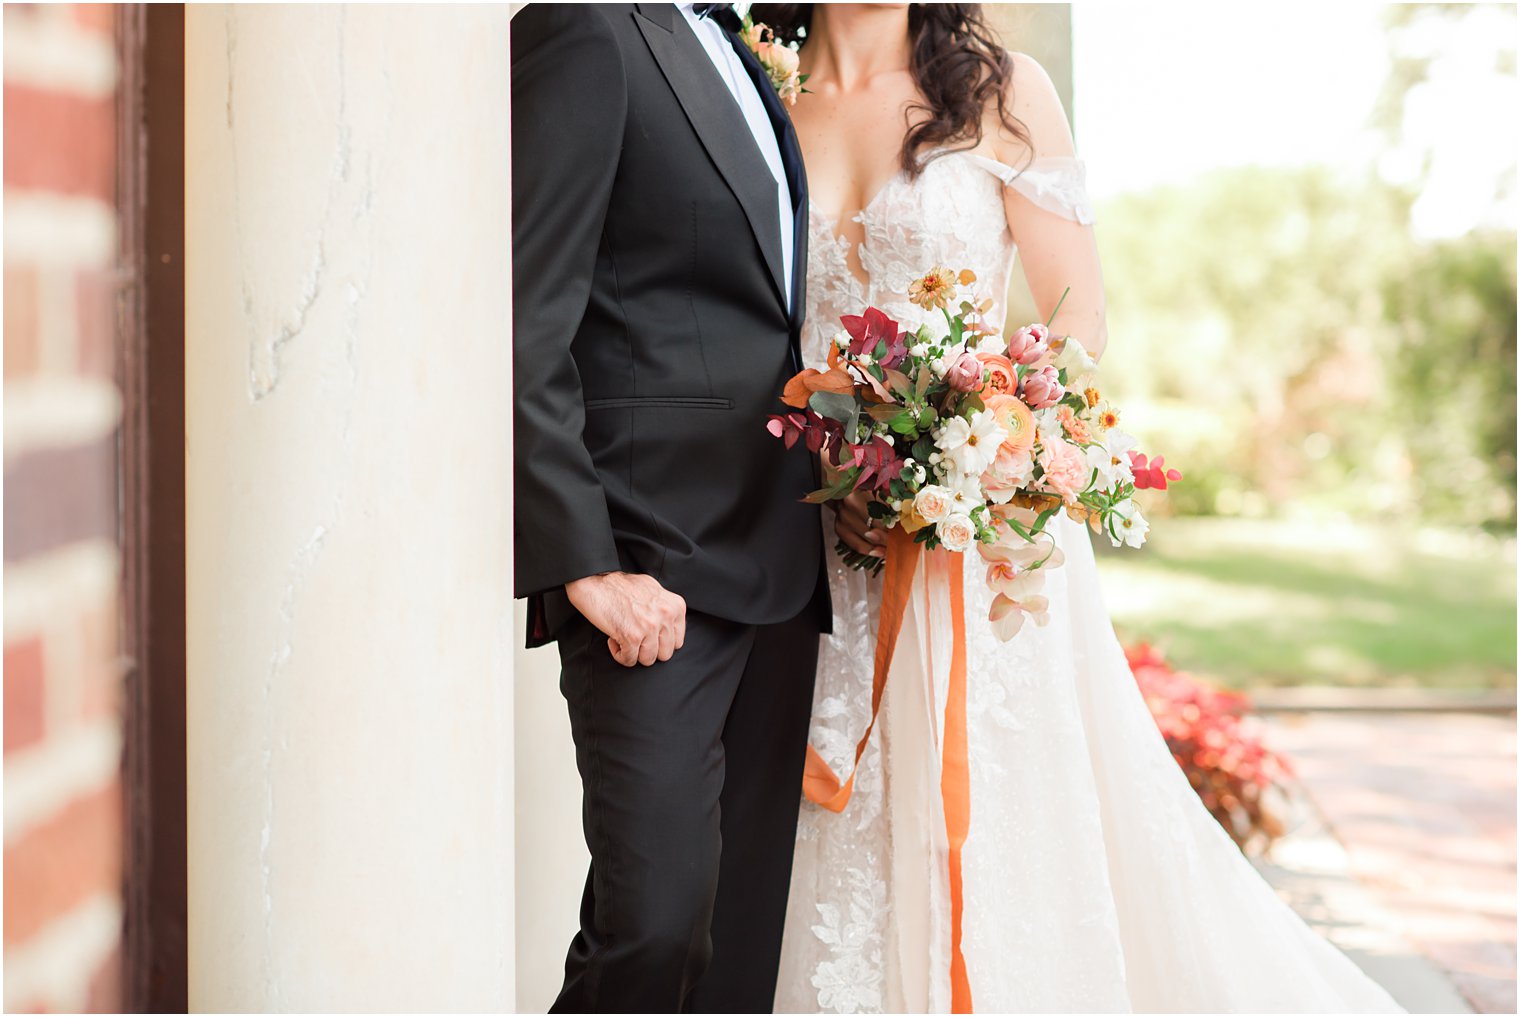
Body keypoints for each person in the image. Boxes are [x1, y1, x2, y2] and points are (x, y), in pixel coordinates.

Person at [752, 3, 1406, 1012]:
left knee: (1000, 820)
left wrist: (958, 449)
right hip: (820, 533)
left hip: (976, 533)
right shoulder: (765, 107)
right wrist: (850, 464)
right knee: (828, 838)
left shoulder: (1000, 92)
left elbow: (1072, 321)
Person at [510, 3, 830, 1011]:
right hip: (648, 564)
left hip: (778, 556)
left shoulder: (731, 45)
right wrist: (584, 560)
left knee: (736, 952)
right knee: (651, 927)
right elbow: (521, 317)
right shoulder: (582, 30)